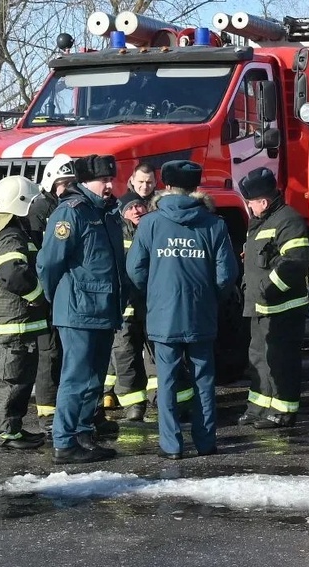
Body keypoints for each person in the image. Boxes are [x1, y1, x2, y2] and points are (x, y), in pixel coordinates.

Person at [127, 161, 238, 459]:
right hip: (201, 313)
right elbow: (226, 274)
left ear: (166, 185)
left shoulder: (150, 223)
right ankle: (205, 442)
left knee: (167, 381)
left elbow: (135, 268)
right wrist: (209, 297)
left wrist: (153, 293)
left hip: (163, 314)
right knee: (204, 379)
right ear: (195, 187)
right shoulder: (214, 224)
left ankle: (171, 445)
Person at [37, 154, 126, 464]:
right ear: (86, 182)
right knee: (76, 378)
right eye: (104, 180)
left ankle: (83, 434)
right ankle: (64, 441)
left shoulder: (109, 213)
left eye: (111, 179)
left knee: (94, 378)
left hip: (104, 308)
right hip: (78, 310)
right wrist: (57, 298)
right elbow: (49, 263)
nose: (109, 185)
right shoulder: (70, 213)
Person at [0, 176, 48, 450]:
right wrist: (38, 297)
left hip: (9, 322)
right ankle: (6, 432)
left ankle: (11, 428)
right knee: (10, 380)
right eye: (31, 202)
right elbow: (14, 275)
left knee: (15, 380)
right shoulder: (10, 235)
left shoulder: (3, 230)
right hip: (11, 323)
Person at [238, 167, 309, 428]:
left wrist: (268, 289)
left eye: (250, 203)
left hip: (282, 307)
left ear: (263, 202)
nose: (249, 208)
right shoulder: (261, 221)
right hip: (260, 306)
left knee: (282, 360)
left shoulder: (288, 221)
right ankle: (258, 406)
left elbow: (295, 262)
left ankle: (283, 411)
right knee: (259, 358)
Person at [28, 153, 78, 432]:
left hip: (67, 291)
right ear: (51, 182)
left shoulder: (70, 207)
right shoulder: (40, 209)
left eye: (71, 182)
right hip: (48, 290)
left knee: (68, 352)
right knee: (49, 352)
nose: (67, 187)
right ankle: (48, 415)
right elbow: (40, 255)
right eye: (63, 182)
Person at [103, 194, 151, 421]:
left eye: (139, 206)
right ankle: (133, 403)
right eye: (131, 207)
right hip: (125, 305)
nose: (136, 211)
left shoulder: (153, 229)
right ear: (122, 213)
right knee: (125, 354)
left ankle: (162, 397)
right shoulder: (114, 233)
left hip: (151, 304)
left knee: (155, 355)